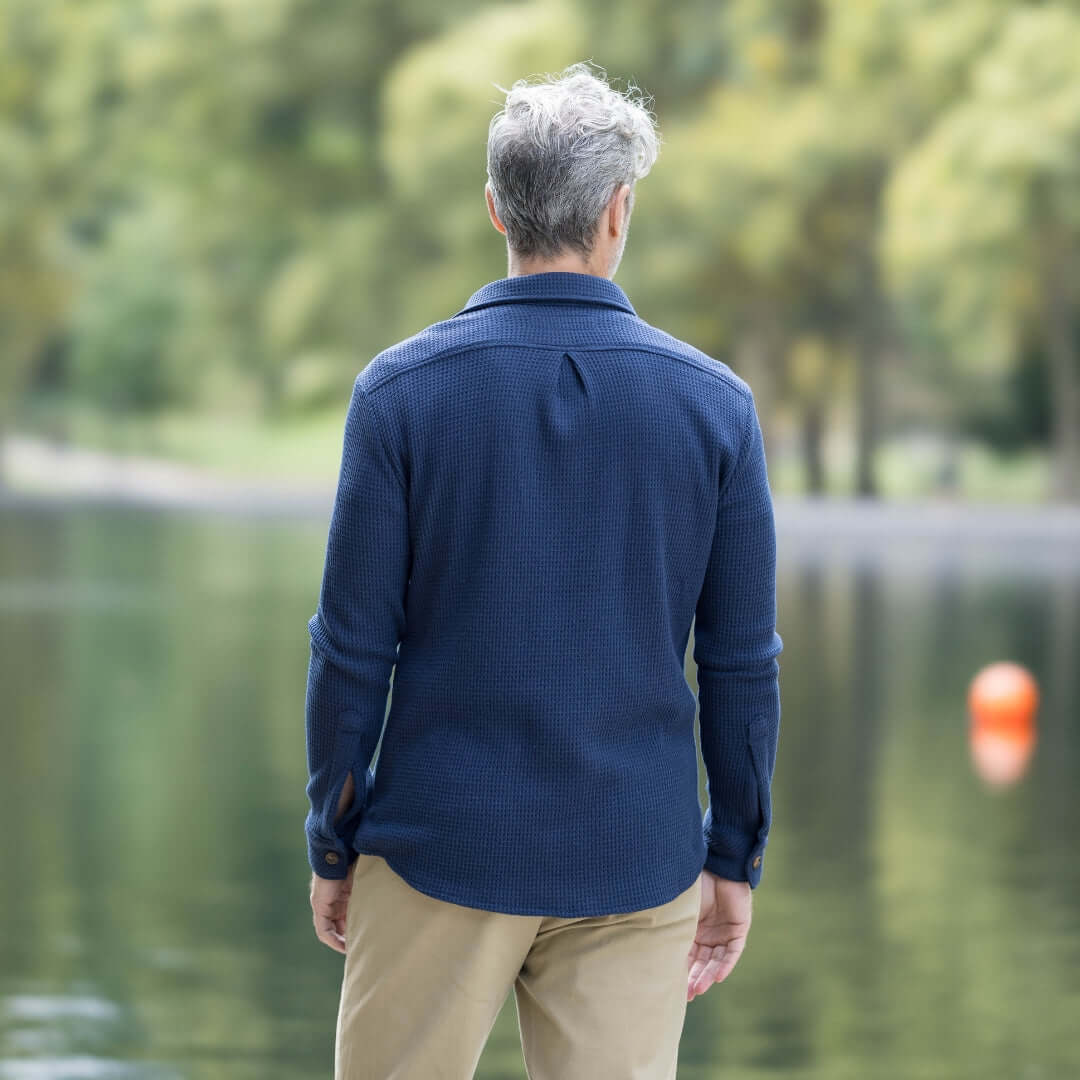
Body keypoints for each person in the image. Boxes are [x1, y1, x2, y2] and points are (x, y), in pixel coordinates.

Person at [303, 61, 783, 1080]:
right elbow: (741, 663)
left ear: (495, 208)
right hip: (636, 858)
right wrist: (732, 854)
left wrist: (334, 838)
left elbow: (351, 650)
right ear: (618, 212)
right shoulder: (715, 408)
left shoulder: (400, 394)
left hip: (439, 849)